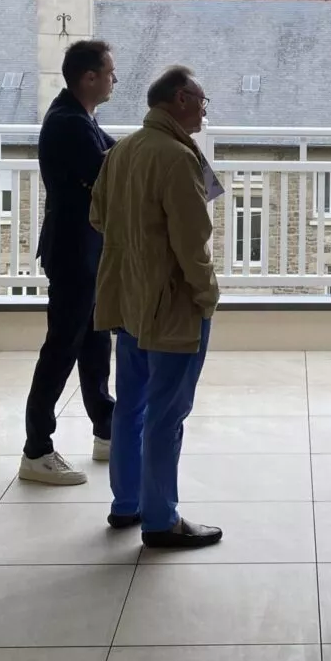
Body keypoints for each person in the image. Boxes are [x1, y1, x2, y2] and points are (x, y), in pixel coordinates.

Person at [90, 66, 222, 549]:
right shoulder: (175, 157)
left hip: (128, 298)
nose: (206, 109)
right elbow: (193, 242)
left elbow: (98, 216)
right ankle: (161, 519)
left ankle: (126, 504)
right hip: (171, 304)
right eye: (203, 100)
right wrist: (206, 295)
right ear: (181, 98)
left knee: (132, 406)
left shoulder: (121, 150)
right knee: (168, 413)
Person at [19, 40, 118, 485]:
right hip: (73, 252)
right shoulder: (68, 124)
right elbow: (116, 171)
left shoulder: (83, 120)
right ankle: (37, 449)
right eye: (110, 72)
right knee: (62, 346)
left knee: (96, 341)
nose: (115, 79)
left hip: (88, 250)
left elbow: (121, 154)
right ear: (89, 77)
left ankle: (106, 429)